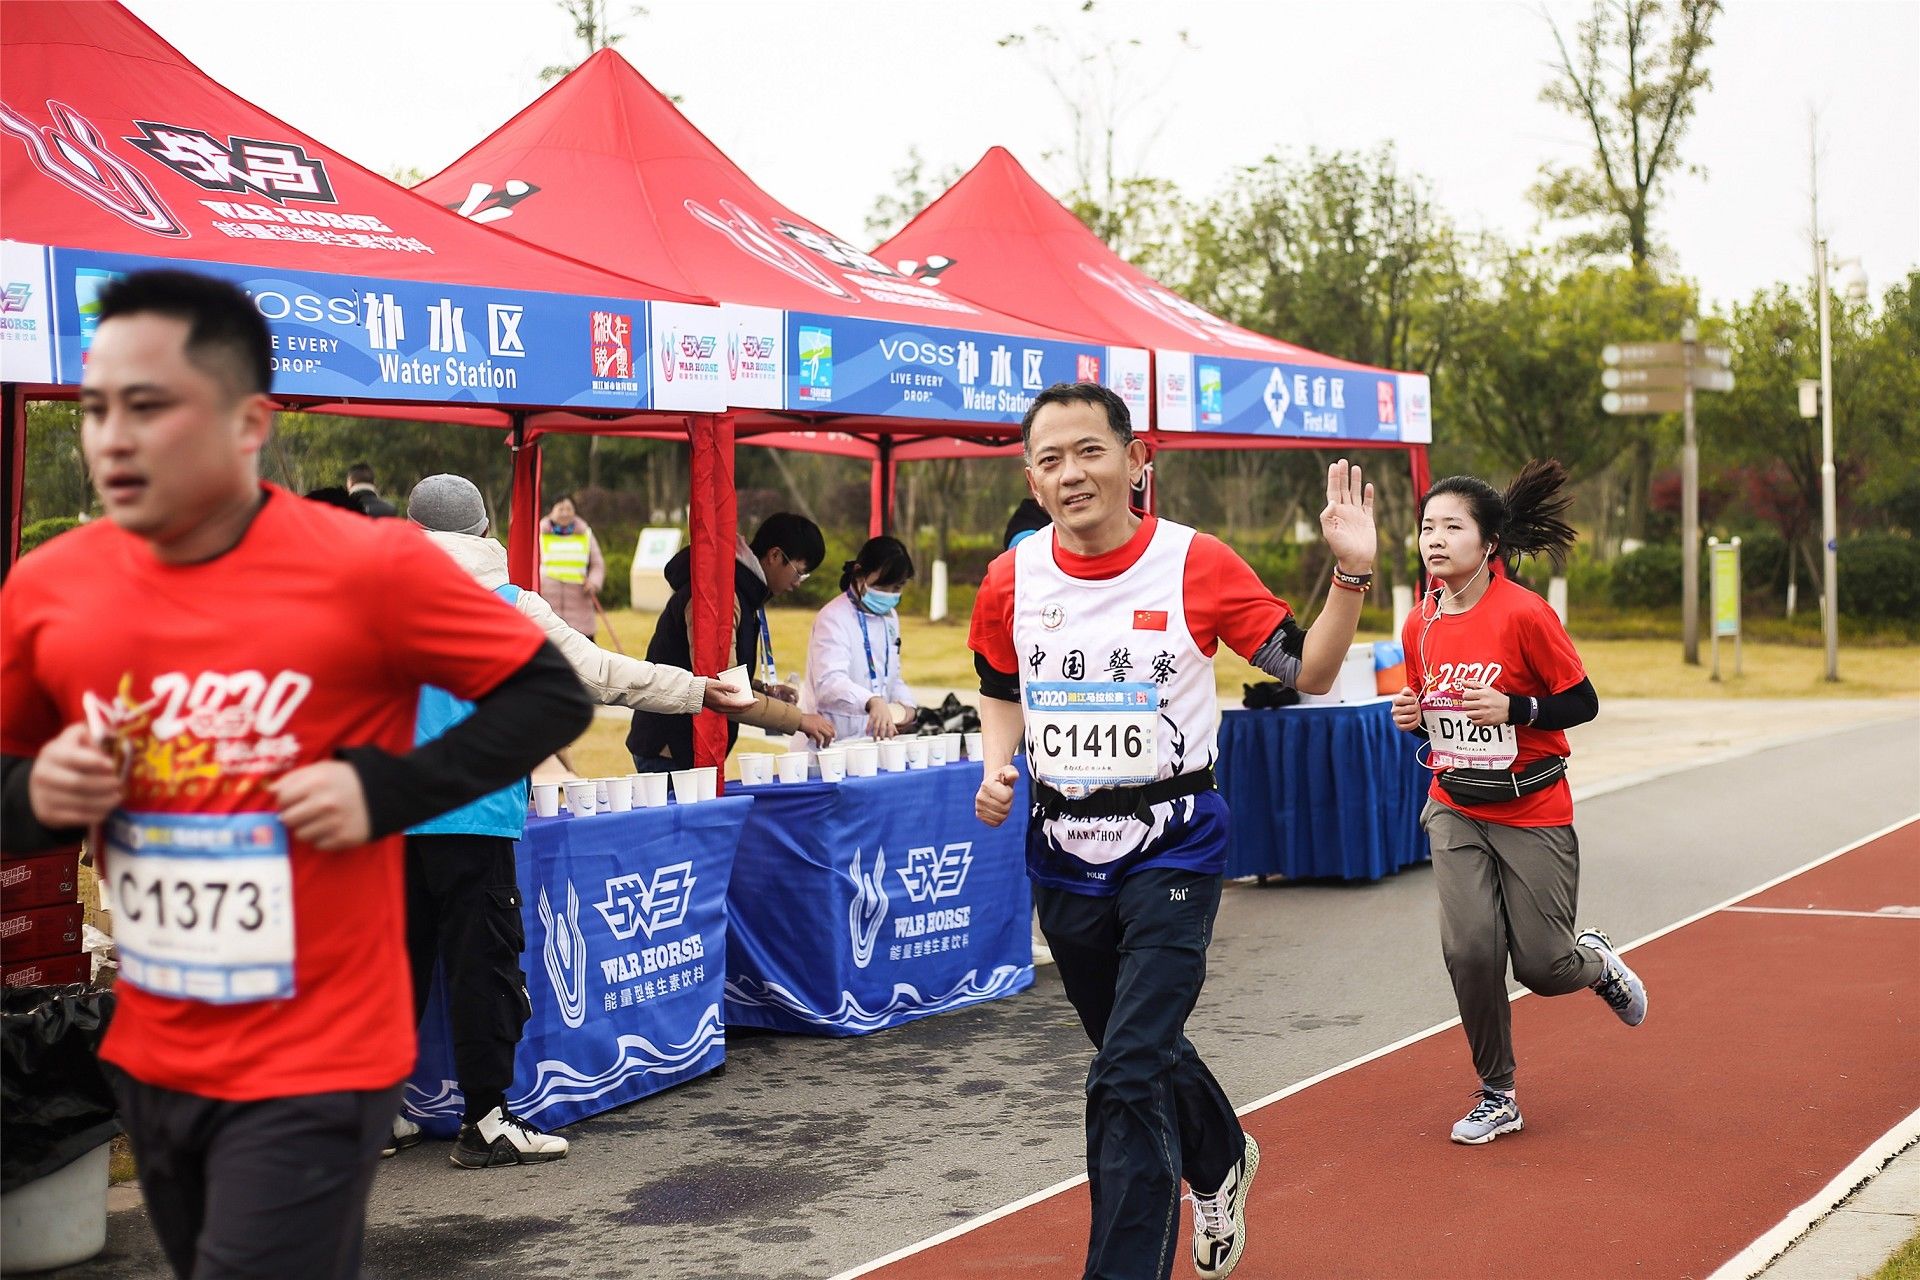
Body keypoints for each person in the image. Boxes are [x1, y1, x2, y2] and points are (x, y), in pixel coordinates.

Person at [0, 270, 591, 1279]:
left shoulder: (369, 566)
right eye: (97, 405)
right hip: (156, 1046)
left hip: (321, 1048)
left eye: (152, 405)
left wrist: (379, 792)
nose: (113, 435)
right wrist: (38, 798)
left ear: (248, 421)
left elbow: (549, 694)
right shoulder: (52, 587)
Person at [969, 382, 1378, 1280]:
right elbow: (1002, 690)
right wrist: (1001, 765)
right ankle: (1223, 1155)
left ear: (1135, 459)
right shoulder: (1011, 577)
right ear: (1032, 481)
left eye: (1089, 451)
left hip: (1175, 847)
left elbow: (1308, 671)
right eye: (1050, 460)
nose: (1072, 473)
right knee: (1133, 1046)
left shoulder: (1197, 563)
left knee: (1123, 1078)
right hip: (1064, 854)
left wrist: (1350, 575)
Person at [394, 475, 753, 1168]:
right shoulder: (511, 606)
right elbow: (600, 672)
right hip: (473, 823)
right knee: (483, 973)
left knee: (393, 973)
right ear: (486, 529)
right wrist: (697, 691)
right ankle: (486, 1123)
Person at [1390, 460, 1647, 1146]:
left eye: (1452, 527)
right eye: (1426, 527)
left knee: (1542, 967)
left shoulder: (1526, 614)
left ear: (1489, 542)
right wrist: (1414, 712)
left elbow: (1582, 702)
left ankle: (1594, 962)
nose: (1434, 539)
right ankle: (1497, 1092)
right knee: (1470, 950)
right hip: (1455, 803)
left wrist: (1517, 707)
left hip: (1531, 806)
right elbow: (1432, 702)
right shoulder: (1420, 620)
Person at [626, 512, 834, 769]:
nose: (797, 584)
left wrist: (760, 689)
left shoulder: (741, 589)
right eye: (799, 573)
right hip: (670, 745)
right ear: (775, 556)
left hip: (687, 740)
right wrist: (799, 720)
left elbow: (716, 673)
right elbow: (726, 692)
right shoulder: (720, 593)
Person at [800, 536, 917, 742]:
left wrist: (907, 707)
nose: (889, 596)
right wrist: (871, 701)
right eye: (881, 588)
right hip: (832, 744)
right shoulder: (833, 617)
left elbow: (892, 676)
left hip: (876, 744)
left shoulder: (890, 617)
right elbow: (829, 683)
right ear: (859, 575)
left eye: (897, 588)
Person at [538, 495, 605, 639]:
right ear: (551, 511)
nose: (565, 513)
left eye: (569, 508)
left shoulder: (585, 534)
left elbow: (597, 564)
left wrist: (593, 583)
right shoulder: (539, 534)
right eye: (560, 509)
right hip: (548, 606)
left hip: (580, 607)